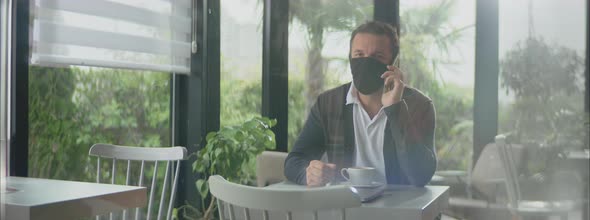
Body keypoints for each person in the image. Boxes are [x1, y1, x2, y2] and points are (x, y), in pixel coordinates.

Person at [284, 21, 437, 187]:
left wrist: (396, 109)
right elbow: (294, 161)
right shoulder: (328, 103)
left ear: (393, 63)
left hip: (401, 208)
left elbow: (421, 175)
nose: (366, 63)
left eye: (377, 56)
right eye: (359, 54)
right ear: (350, 58)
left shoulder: (419, 105)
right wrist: (308, 174)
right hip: (345, 207)